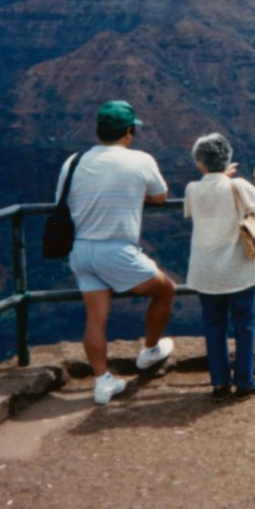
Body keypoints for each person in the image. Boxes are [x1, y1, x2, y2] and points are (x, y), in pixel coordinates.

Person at [57, 100, 178, 405]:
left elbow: (62, 199)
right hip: (116, 250)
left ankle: (102, 383)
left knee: (95, 318)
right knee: (166, 291)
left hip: (80, 250)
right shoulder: (141, 160)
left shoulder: (74, 161)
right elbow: (160, 197)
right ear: (128, 131)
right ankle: (150, 352)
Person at [184, 133, 255, 402]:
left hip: (205, 271)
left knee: (214, 326)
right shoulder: (238, 185)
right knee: (244, 326)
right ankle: (245, 380)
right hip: (238, 269)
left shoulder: (192, 189)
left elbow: (197, 206)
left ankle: (219, 382)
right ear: (226, 160)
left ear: (199, 163)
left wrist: (219, 174)